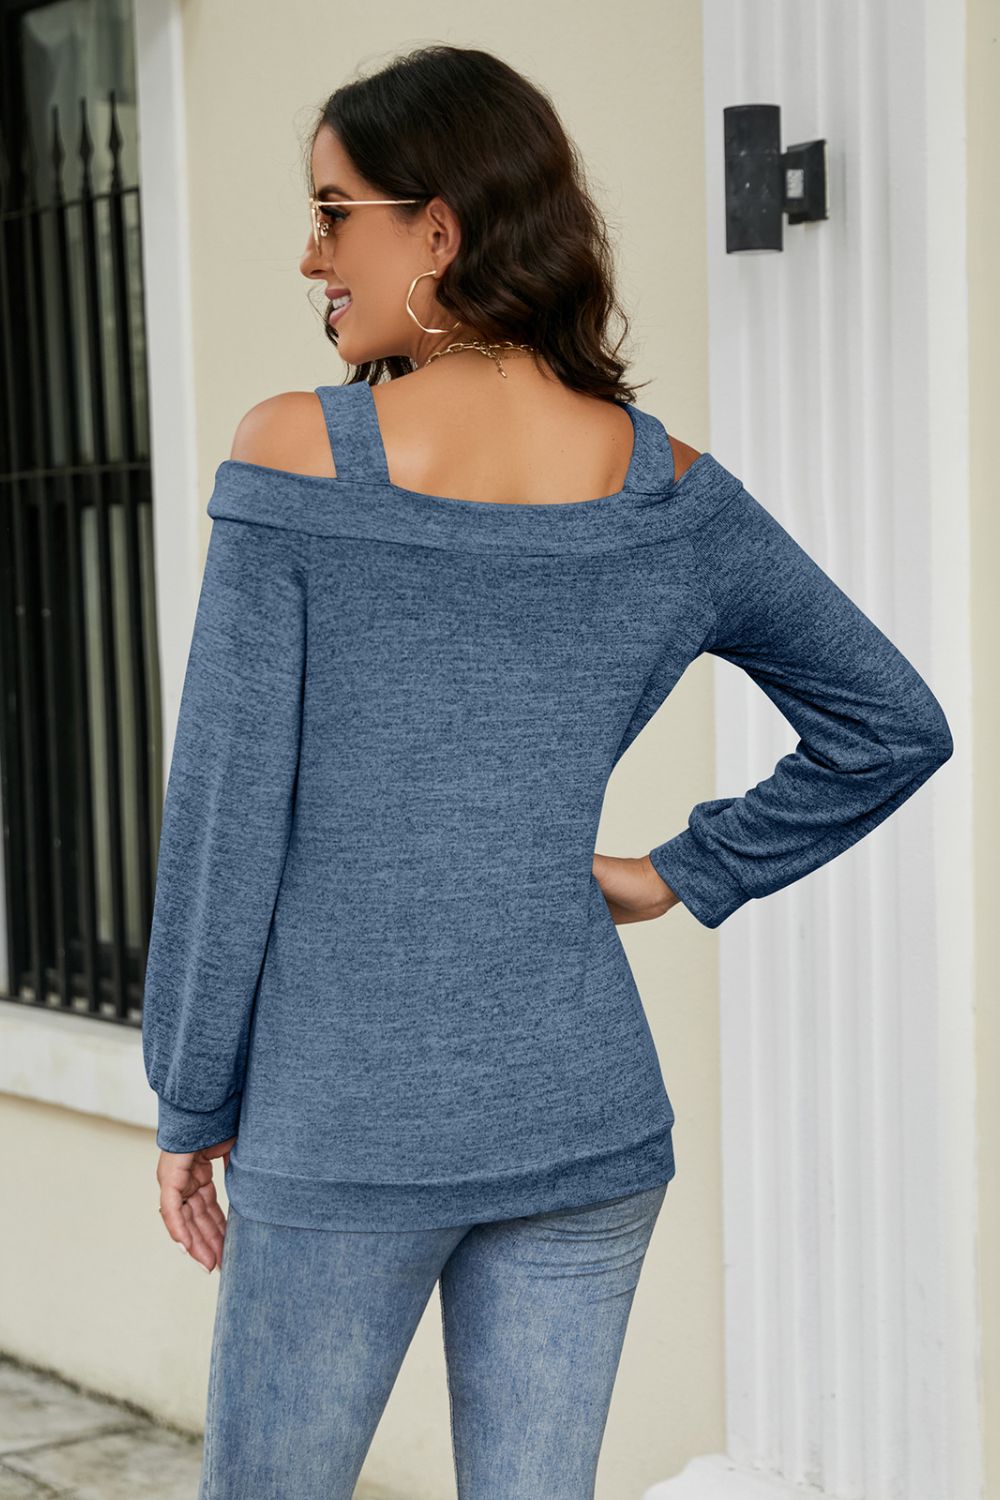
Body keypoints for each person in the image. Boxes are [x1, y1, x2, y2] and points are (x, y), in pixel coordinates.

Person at [141, 44, 954, 1500]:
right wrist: (671, 876)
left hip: (347, 1128)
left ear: (437, 230)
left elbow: (223, 820)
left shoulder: (294, 459)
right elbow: (891, 722)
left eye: (333, 212)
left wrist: (191, 1100)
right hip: (588, 1123)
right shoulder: (669, 490)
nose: (310, 254)